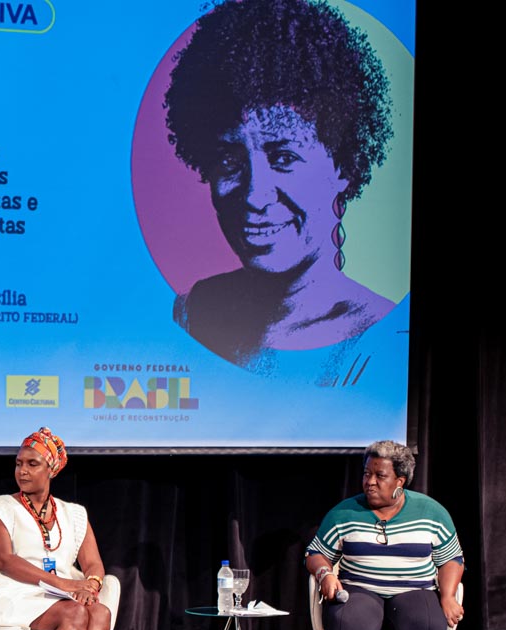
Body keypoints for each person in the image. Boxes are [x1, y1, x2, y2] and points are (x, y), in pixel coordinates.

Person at [163, 0, 397, 379]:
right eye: (229, 161)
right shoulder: (191, 312)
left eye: (284, 158)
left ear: (342, 166)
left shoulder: (380, 340)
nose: (255, 196)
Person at [306, 441, 465, 630]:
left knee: (427, 625)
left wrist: (448, 596)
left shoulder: (431, 512)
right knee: (344, 622)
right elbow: (316, 553)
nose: (370, 482)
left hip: (414, 590)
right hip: (359, 589)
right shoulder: (343, 513)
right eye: (366, 474)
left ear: (400, 481)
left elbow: (451, 560)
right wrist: (325, 573)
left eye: (380, 476)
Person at [0, 428, 115, 630]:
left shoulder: (73, 514)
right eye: (19, 464)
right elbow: (5, 561)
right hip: (15, 593)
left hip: (60, 596)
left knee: (101, 614)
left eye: (32, 464)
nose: (23, 471)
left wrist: (91, 586)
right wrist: (65, 584)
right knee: (74, 614)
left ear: (52, 469)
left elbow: (93, 563)